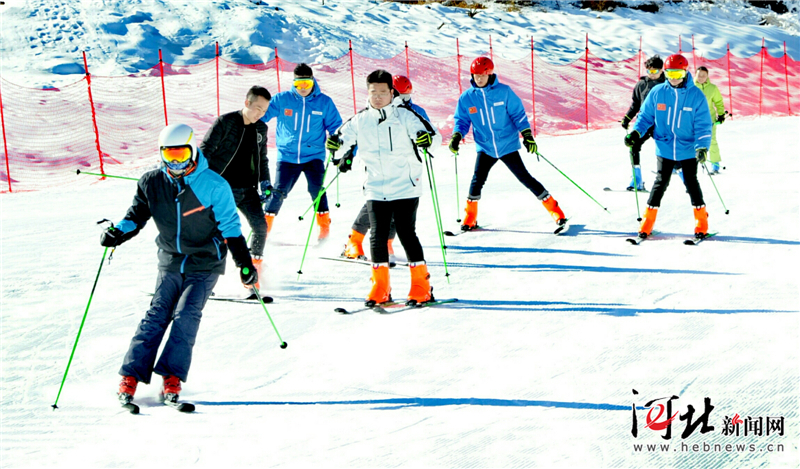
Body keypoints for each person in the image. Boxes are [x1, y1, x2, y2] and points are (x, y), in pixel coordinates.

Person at [104, 123, 258, 408]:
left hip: (205, 261)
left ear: (193, 149)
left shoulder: (213, 185)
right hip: (171, 259)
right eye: (169, 155)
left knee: (186, 314)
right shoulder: (151, 182)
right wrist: (118, 233)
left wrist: (244, 264)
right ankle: (131, 376)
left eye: (181, 154)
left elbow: (231, 228)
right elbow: (136, 216)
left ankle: (172, 376)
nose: (176, 162)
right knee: (157, 314)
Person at [326, 69, 436, 306]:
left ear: (391, 93)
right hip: (376, 187)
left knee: (407, 234)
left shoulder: (405, 116)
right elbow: (342, 141)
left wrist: (424, 139)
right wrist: (335, 145)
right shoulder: (360, 119)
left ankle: (421, 286)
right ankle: (380, 287)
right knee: (377, 237)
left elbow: (427, 133)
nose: (377, 97)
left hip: (406, 185)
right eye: (373, 92)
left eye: (382, 92)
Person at [448, 57, 566, 232]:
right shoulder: (467, 98)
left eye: (482, 74)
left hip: (507, 145)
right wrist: (457, 136)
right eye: (475, 75)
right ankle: (470, 218)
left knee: (525, 178)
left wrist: (527, 135)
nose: (479, 78)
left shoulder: (504, 92)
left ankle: (556, 212)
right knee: (477, 180)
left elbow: (518, 114)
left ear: (490, 74)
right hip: (486, 147)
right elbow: (462, 120)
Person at [341, 75, 439, 264]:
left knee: (399, 216)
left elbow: (429, 135)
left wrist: (425, 144)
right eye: (398, 96)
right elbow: (354, 133)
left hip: (404, 171)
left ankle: (387, 244)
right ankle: (354, 241)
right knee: (373, 209)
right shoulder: (371, 114)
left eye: (405, 95)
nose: (400, 100)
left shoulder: (414, 112)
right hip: (378, 171)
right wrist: (347, 155)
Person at [625, 54, 713, 240]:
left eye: (678, 73)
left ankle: (701, 221)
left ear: (686, 71)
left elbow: (703, 125)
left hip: (688, 148)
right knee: (660, 183)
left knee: (691, 182)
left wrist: (702, 147)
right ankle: (647, 221)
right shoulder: (658, 92)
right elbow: (645, 117)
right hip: (664, 146)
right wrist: (636, 133)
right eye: (670, 73)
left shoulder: (696, 95)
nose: (674, 78)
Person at [201, 85, 270, 299]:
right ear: (247, 103)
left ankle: (252, 278)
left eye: (264, 111)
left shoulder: (261, 129)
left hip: (248, 190)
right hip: (222, 189)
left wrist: (265, 182)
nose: (260, 114)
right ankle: (203, 281)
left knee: (260, 227)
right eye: (257, 108)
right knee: (219, 235)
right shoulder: (226, 122)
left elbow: (263, 158)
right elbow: (205, 151)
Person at [261, 63, 343, 240]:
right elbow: (262, 117)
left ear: (313, 81)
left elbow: (336, 126)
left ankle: (324, 229)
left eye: (307, 83)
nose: (303, 88)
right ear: (294, 83)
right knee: (278, 192)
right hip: (287, 156)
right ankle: (263, 230)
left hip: (313, 156)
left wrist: (336, 140)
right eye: (299, 84)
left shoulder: (324, 102)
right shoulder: (282, 99)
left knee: (317, 190)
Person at [621, 55, 666, 191]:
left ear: (661, 70)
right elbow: (636, 104)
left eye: (654, 71)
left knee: (667, 150)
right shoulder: (641, 85)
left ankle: (684, 178)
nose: (651, 75)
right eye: (649, 71)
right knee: (634, 145)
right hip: (645, 124)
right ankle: (636, 180)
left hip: (662, 124)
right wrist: (627, 118)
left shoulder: (668, 84)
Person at [694, 66, 727, 174]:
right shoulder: (690, 87)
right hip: (693, 119)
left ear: (707, 76)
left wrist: (721, 114)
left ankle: (715, 165)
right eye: (699, 75)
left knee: (711, 141)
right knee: (689, 141)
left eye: (704, 75)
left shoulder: (712, 88)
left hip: (709, 119)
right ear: (695, 75)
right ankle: (681, 165)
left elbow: (718, 102)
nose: (701, 78)